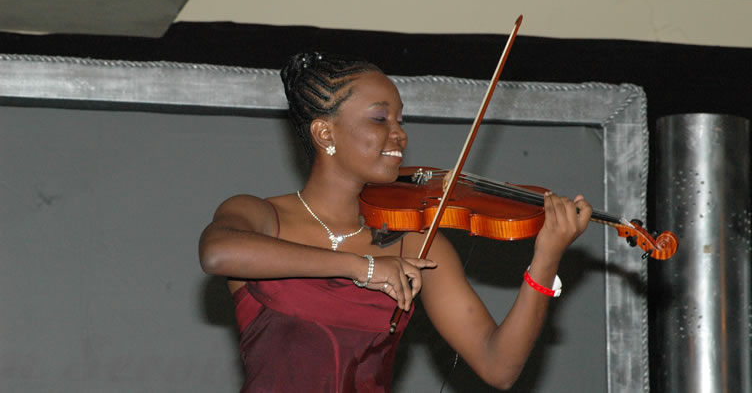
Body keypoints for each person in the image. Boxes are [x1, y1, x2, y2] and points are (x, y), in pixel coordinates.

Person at [198, 52, 592, 392]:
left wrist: (545, 260)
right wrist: (363, 267)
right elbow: (218, 253)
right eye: (379, 119)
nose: (399, 134)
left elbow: (499, 367)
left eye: (400, 120)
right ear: (324, 132)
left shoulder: (416, 244)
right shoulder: (261, 216)